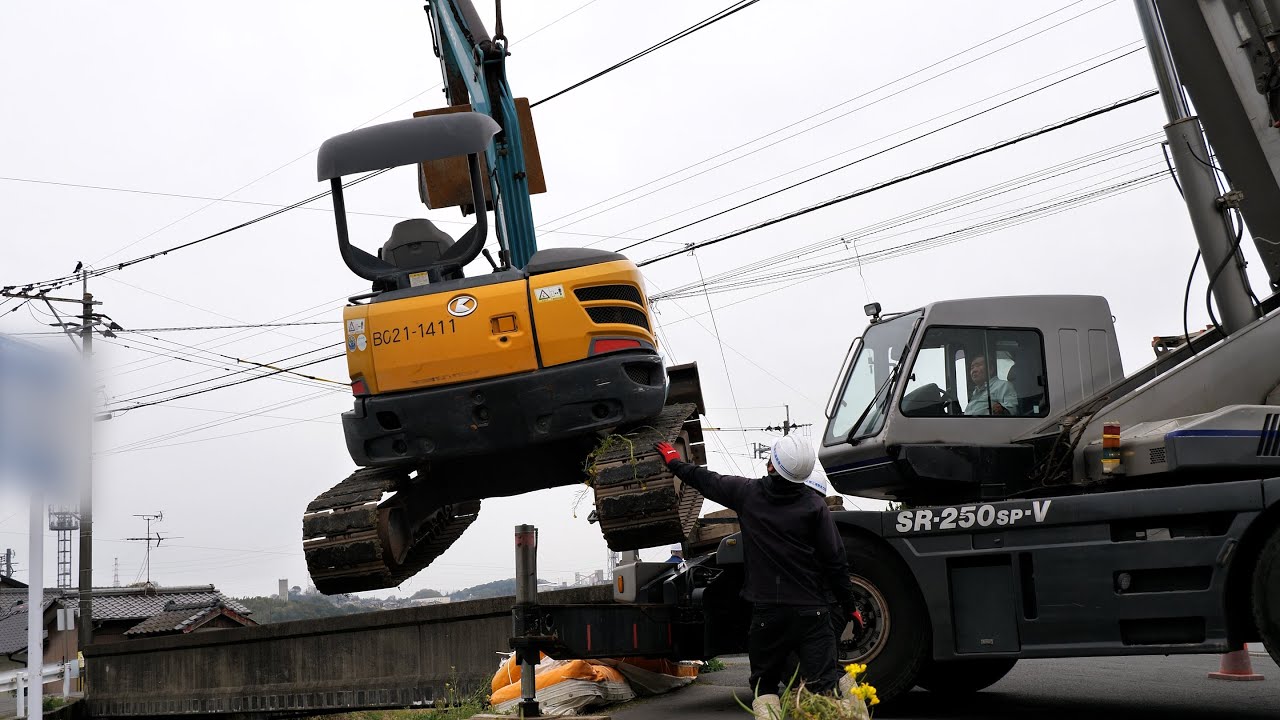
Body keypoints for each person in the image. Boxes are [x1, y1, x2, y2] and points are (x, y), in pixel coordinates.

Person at [655, 435, 857, 696]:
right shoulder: (815, 506)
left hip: (768, 613)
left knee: (765, 688)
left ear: (772, 465)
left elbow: (706, 480)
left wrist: (674, 463)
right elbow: (836, 561)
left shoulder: (747, 493)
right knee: (824, 687)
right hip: (812, 612)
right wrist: (850, 606)